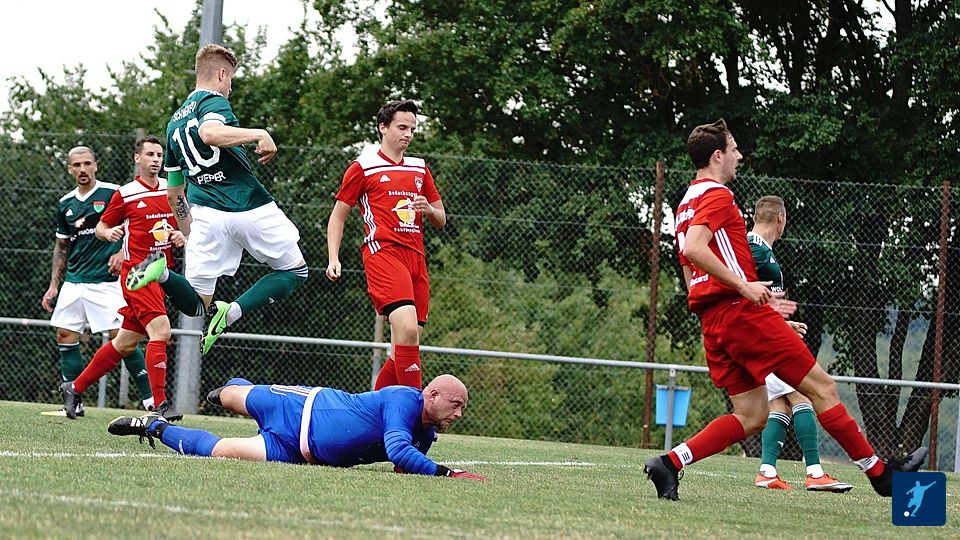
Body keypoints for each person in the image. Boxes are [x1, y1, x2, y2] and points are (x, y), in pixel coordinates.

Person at [644, 119, 927, 500]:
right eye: (734, 149)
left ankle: (669, 463)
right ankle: (881, 475)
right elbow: (695, 248)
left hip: (717, 320)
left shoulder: (685, 203)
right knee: (823, 388)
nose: (739, 156)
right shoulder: (718, 195)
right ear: (717, 156)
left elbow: (688, 264)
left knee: (752, 415)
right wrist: (744, 289)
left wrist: (734, 312)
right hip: (738, 313)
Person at [125, 44, 308, 355]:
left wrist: (190, 233)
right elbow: (210, 133)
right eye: (231, 79)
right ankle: (233, 311)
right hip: (248, 205)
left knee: (197, 305)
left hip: (205, 215)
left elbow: (173, 192)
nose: (230, 87)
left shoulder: (173, 124)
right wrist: (259, 133)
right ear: (222, 73)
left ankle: (163, 273)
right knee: (295, 271)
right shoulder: (212, 101)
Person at [107, 374, 486, 480]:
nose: (458, 414)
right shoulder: (404, 399)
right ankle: (231, 388)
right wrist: (447, 474)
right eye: (456, 405)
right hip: (300, 406)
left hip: (296, 452)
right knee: (226, 396)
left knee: (220, 451)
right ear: (432, 394)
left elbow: (403, 464)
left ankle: (153, 427)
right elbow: (398, 449)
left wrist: (426, 465)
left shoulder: (426, 434)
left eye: (462, 409)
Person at [59, 137, 186, 420]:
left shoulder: (172, 189)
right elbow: (102, 227)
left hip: (161, 274)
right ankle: (160, 404)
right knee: (161, 331)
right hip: (138, 275)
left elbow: (186, 224)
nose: (155, 159)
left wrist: (181, 234)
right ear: (137, 158)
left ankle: (74, 387)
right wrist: (109, 233)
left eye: (159, 155)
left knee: (125, 343)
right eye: (149, 154)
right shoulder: (126, 194)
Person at [325, 100, 445, 390]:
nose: (408, 134)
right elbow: (338, 215)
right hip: (383, 254)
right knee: (406, 330)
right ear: (383, 127)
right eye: (402, 127)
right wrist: (333, 257)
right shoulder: (363, 168)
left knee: (404, 346)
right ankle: (415, 409)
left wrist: (429, 209)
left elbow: (441, 218)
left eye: (412, 129)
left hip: (416, 259)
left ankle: (373, 409)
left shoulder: (419, 168)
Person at [747, 195, 852, 493]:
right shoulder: (760, 254)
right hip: (763, 342)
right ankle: (815, 472)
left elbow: (757, 304)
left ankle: (767, 471)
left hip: (756, 339)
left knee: (780, 403)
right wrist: (778, 328)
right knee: (803, 396)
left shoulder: (752, 247)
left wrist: (784, 324)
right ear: (780, 218)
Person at [41, 145, 153, 417]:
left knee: (122, 339)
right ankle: (74, 402)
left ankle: (152, 402)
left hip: (106, 281)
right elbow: (62, 246)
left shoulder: (113, 192)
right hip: (74, 281)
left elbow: (136, 225)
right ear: (70, 169)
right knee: (65, 334)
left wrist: (122, 252)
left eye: (87, 163)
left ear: (95, 165)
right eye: (77, 165)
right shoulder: (66, 203)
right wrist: (54, 285)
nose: (83, 169)